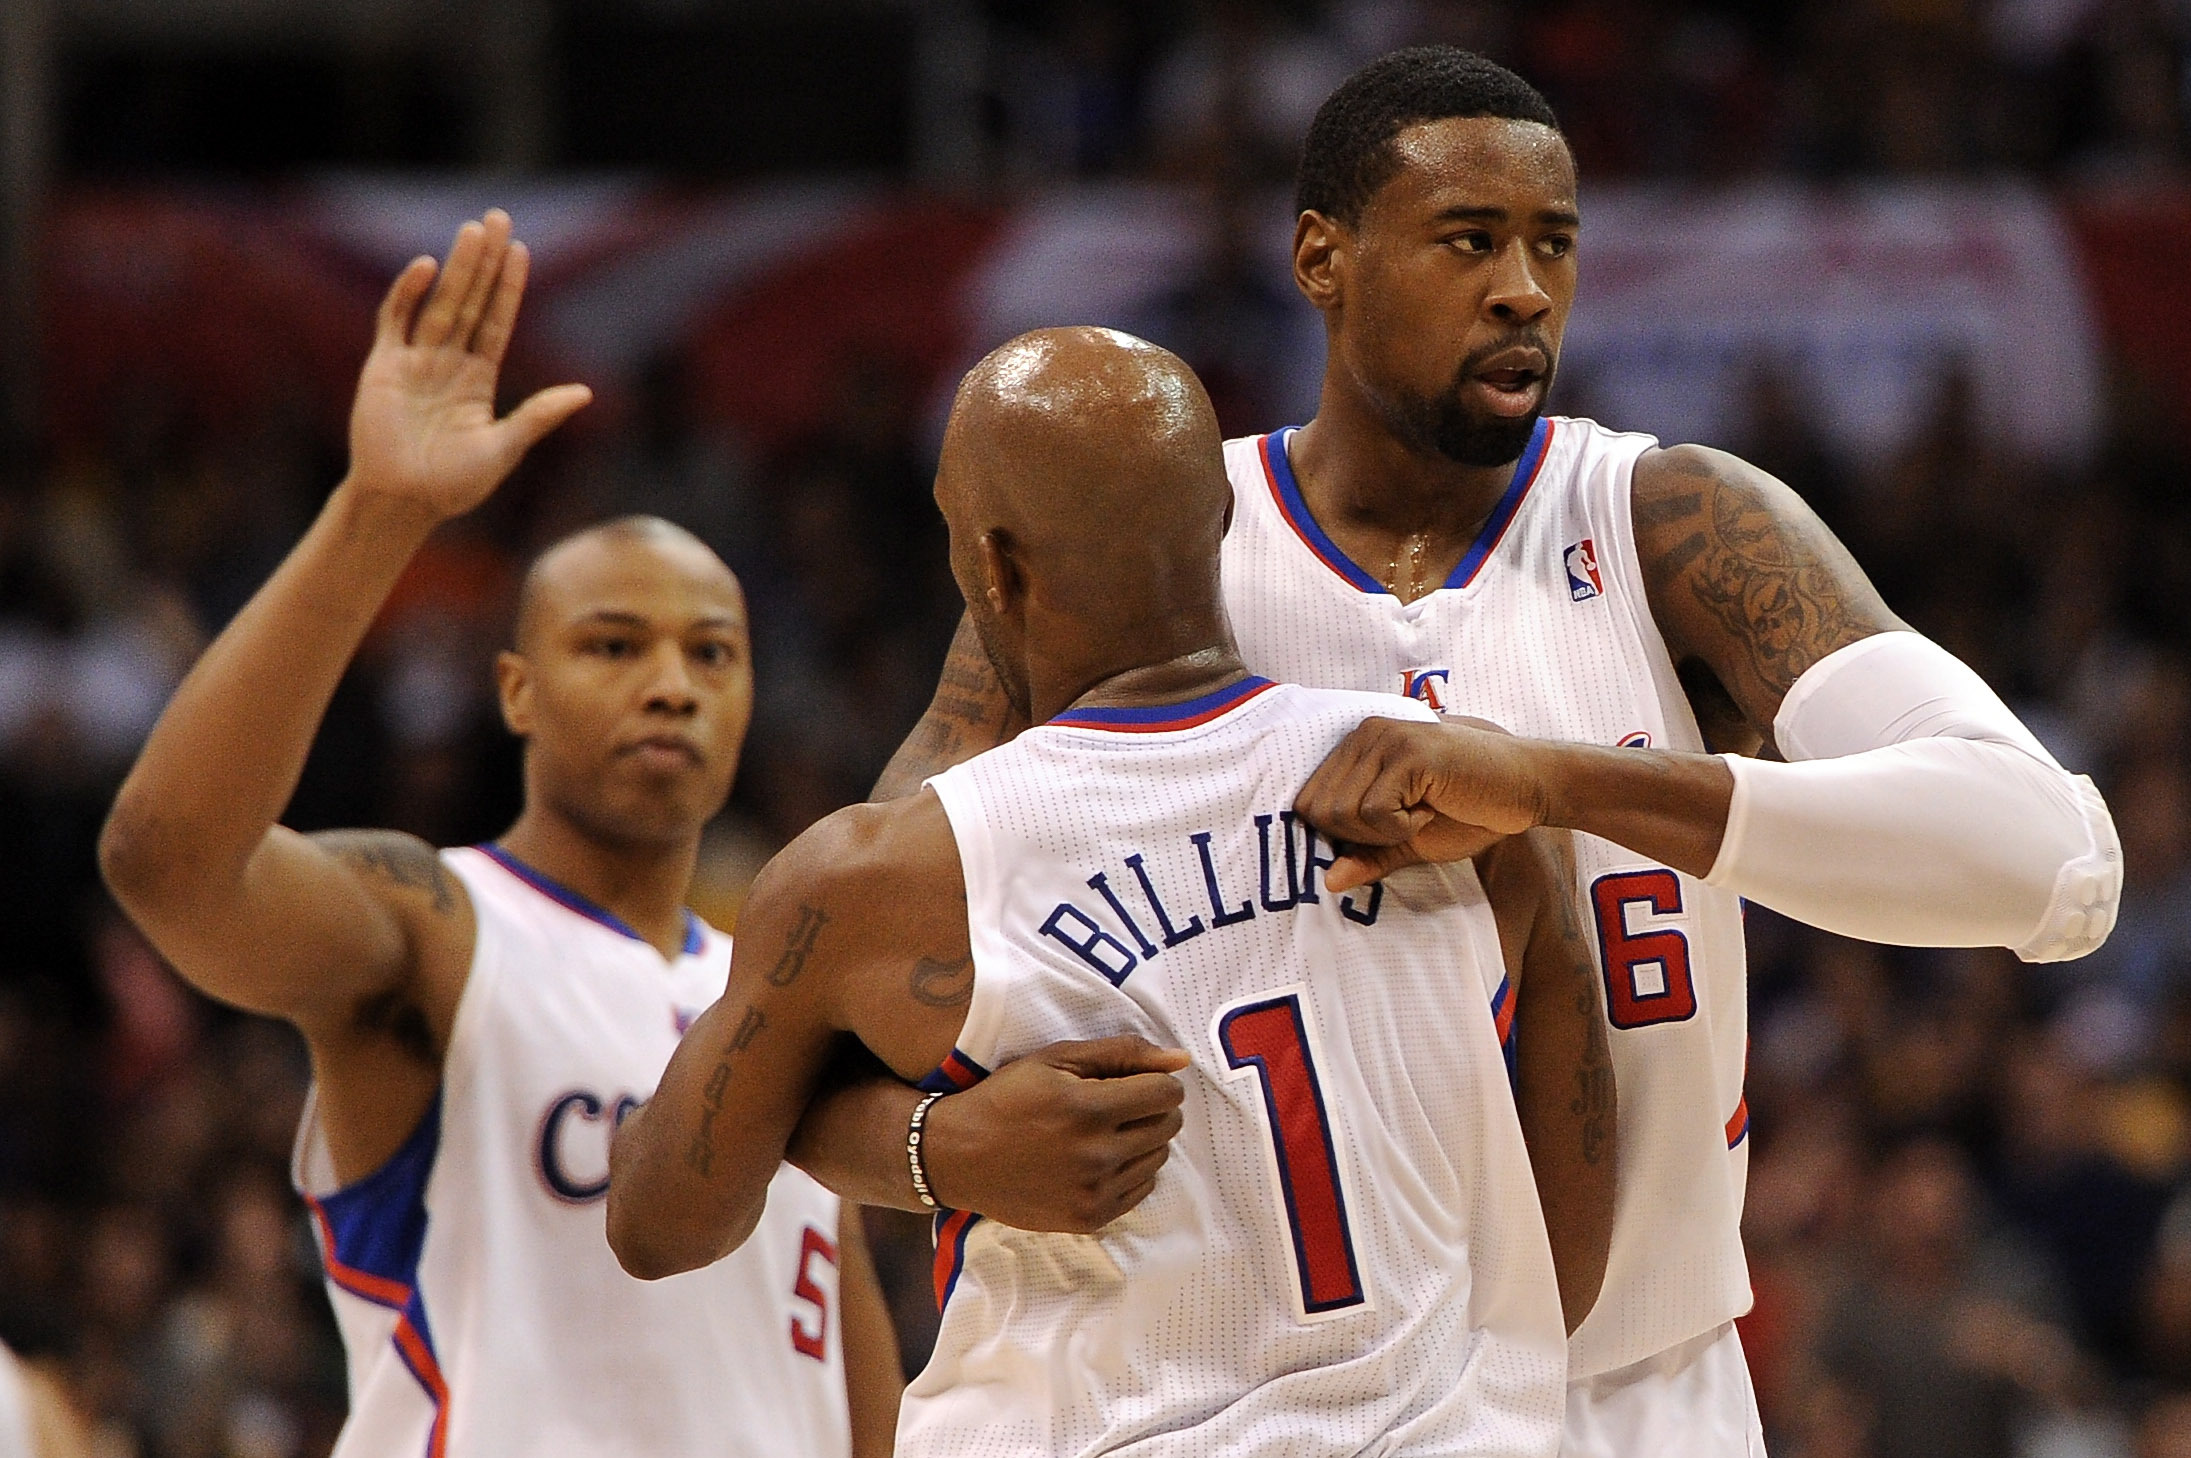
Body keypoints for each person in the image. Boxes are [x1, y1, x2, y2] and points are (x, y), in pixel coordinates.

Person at [810, 47, 2124, 1458]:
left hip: (1631, 1391)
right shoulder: (1146, 557)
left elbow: (2052, 864)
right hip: (1257, 1413)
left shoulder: (1668, 524)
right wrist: (930, 1153)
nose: (1521, 287)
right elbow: (817, 1007)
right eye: (1466, 239)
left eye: (1551, 243)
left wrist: (1549, 778)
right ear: (1319, 255)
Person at [607, 326, 1615, 1457]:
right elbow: (1562, 1270)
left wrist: (935, 1150)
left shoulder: (887, 877)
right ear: (1224, 521)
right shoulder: (1454, 789)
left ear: (990, 565)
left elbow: (658, 1217)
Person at [96, 211, 914, 1456]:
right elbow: (164, 863)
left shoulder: (783, 1011)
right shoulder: (439, 926)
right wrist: (378, 511)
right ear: (515, 690)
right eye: (613, 644)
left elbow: (870, 1429)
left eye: (713, 653)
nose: (671, 684)